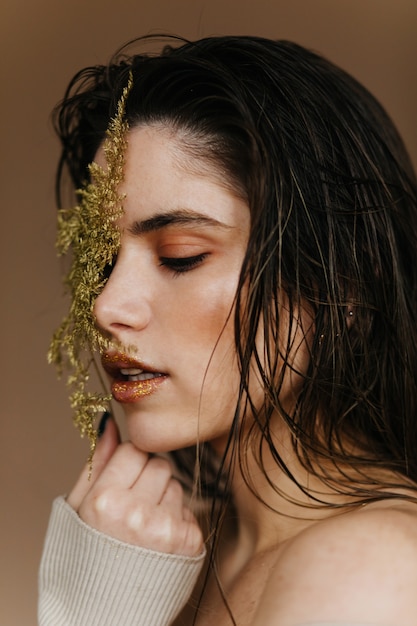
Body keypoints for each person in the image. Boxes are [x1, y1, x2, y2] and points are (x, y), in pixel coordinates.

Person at [39, 35, 417, 625]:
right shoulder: (184, 552)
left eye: (181, 255)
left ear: (343, 283)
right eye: (102, 261)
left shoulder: (368, 566)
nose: (107, 305)